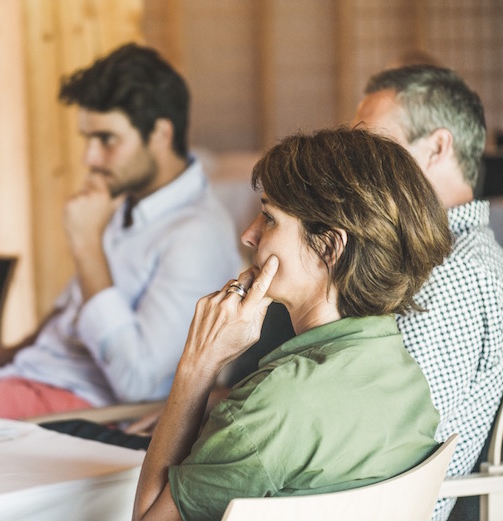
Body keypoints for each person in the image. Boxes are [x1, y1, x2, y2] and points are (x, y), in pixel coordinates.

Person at [0, 43, 241, 419]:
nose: (89, 158)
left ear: (161, 134)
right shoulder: (127, 204)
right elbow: (67, 316)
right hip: (22, 381)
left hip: (72, 410)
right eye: (87, 139)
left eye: (106, 139)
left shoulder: (197, 235)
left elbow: (138, 383)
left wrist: (87, 246)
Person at [133, 127, 453, 521]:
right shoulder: (406, 379)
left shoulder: (273, 405)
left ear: (329, 247)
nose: (248, 235)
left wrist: (197, 365)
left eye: (269, 218)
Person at [354, 64, 503, 521]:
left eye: (375, 148)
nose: (360, 168)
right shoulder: (431, 260)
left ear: (438, 146)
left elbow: (397, 444)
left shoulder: (454, 274)